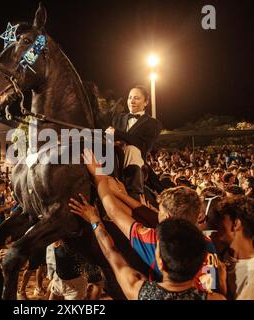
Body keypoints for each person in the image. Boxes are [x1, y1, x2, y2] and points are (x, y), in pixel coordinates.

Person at [79, 149, 222, 293]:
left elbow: (114, 212)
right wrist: (121, 195)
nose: (155, 212)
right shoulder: (207, 243)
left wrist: (99, 177)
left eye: (159, 211)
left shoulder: (158, 242)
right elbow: (148, 216)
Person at [69, 197, 225, 300]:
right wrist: (222, 281)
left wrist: (94, 219)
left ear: (161, 263)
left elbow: (111, 253)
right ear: (198, 264)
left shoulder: (141, 292)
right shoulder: (215, 298)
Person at [106, 86, 162, 197]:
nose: (132, 101)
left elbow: (143, 145)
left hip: (135, 164)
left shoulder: (153, 123)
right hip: (113, 160)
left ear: (146, 102)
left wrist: (118, 133)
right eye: (130, 97)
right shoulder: (117, 118)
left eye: (136, 98)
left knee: (132, 149)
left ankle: (134, 195)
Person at [214, 196, 254, 300]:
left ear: (236, 224)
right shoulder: (225, 256)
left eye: (222, 219)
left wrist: (222, 286)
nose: (217, 225)